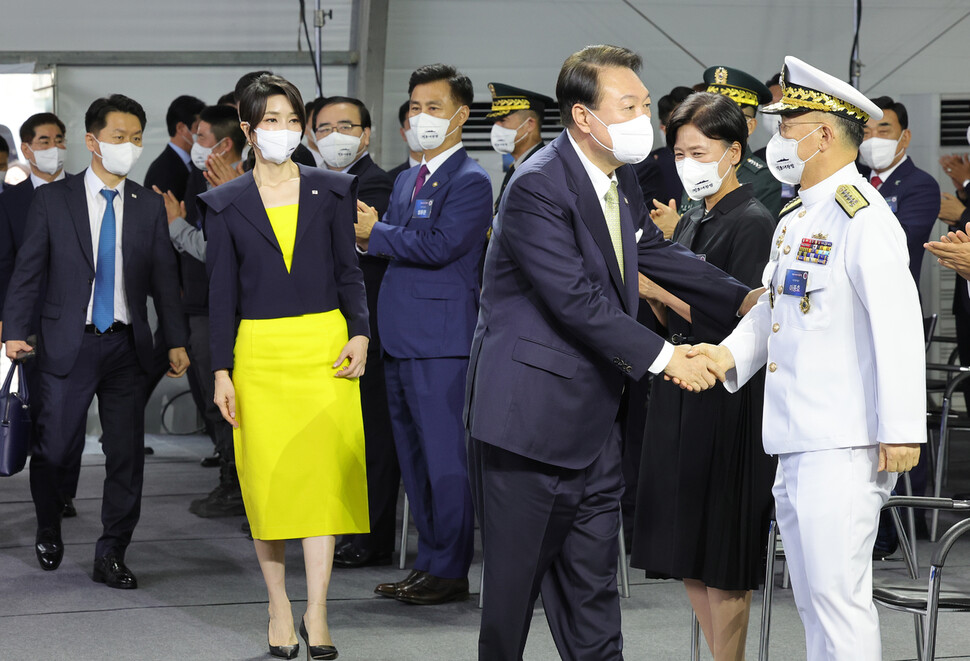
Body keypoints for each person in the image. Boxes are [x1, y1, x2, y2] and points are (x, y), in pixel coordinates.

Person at [464, 45, 756, 661]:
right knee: (513, 598)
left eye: (645, 106)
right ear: (583, 118)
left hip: (596, 426)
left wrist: (741, 298)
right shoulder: (537, 186)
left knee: (593, 593)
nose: (642, 121)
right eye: (627, 107)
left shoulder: (618, 176)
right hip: (530, 425)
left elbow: (655, 252)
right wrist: (665, 358)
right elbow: (574, 299)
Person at [691, 55, 925, 661]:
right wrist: (723, 355)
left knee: (837, 601)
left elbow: (899, 325)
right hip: (797, 436)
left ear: (823, 132)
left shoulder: (863, 216)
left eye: (787, 125)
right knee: (813, 600)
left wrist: (901, 430)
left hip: (843, 440)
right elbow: (776, 307)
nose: (777, 138)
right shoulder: (801, 214)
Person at [203, 73, 370, 660]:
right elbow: (219, 297)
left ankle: (318, 609)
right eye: (270, 120)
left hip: (324, 348)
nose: (284, 131)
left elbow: (349, 272)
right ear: (248, 129)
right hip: (260, 357)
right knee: (270, 484)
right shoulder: (223, 204)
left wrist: (361, 333)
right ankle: (278, 605)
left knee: (323, 482)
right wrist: (221, 371)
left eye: (292, 120)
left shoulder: (333, 188)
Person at [2, 93, 190, 589]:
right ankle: (48, 522)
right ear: (92, 141)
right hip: (67, 342)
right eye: (117, 137)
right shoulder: (52, 200)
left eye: (134, 138)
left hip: (127, 348)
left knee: (125, 455)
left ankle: (112, 552)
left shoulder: (148, 205)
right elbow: (28, 272)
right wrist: (17, 331)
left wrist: (175, 337)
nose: (127, 146)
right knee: (55, 448)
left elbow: (165, 280)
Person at [630, 92, 776, 661]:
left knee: (721, 552)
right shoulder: (691, 220)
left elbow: (739, 315)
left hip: (727, 397)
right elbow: (672, 314)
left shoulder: (753, 220)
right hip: (679, 385)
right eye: (679, 152)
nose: (686, 162)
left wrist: (656, 287)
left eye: (699, 150)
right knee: (683, 547)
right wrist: (656, 296)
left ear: (733, 151)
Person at [355, 63, 493, 606]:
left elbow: (440, 245)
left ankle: (450, 568)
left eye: (433, 108)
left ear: (461, 115)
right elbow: (394, 241)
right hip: (401, 338)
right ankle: (429, 561)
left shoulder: (470, 180)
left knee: (444, 460)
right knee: (414, 461)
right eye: (414, 108)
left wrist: (377, 232)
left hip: (441, 343)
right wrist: (372, 236)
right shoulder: (411, 177)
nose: (420, 117)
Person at [311, 95, 399, 569]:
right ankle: (345, 527)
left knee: (372, 436)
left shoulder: (377, 185)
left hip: (369, 328)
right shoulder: (314, 181)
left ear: (366, 135)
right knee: (341, 436)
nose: (334, 137)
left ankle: (371, 537)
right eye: (323, 128)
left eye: (346, 126)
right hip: (327, 328)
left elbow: (353, 245)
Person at [156, 104, 247, 517]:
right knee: (213, 401)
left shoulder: (239, 186)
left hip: (221, 309)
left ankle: (236, 485)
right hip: (200, 303)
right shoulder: (204, 179)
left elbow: (219, 253)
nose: (195, 143)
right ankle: (231, 479)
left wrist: (176, 226)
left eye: (203, 136)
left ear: (226, 144)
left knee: (223, 401)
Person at [0, 113, 78, 517]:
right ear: (27, 149)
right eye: (44, 141)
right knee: (43, 407)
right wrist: (8, 321)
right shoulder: (11, 201)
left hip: (77, 319)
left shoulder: (82, 192)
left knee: (75, 409)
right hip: (30, 323)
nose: (54, 148)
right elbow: (6, 264)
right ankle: (48, 490)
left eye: (59, 139)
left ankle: (65, 488)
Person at [858, 96, 941, 286]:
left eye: (884, 131)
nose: (873, 140)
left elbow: (898, 243)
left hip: (893, 297)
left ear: (905, 137)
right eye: (866, 133)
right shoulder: (853, 179)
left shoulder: (921, 185)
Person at [486, 82, 555, 212]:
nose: (496, 128)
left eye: (503, 120)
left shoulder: (541, 172)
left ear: (529, 124)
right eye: (494, 122)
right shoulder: (519, 166)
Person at [144, 95, 205, 200]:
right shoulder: (162, 171)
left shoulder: (194, 163)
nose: (202, 134)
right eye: (198, 128)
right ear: (180, 128)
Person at [386, 100, 422, 180]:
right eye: (413, 123)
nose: (420, 129)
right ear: (403, 134)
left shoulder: (454, 176)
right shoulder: (389, 180)